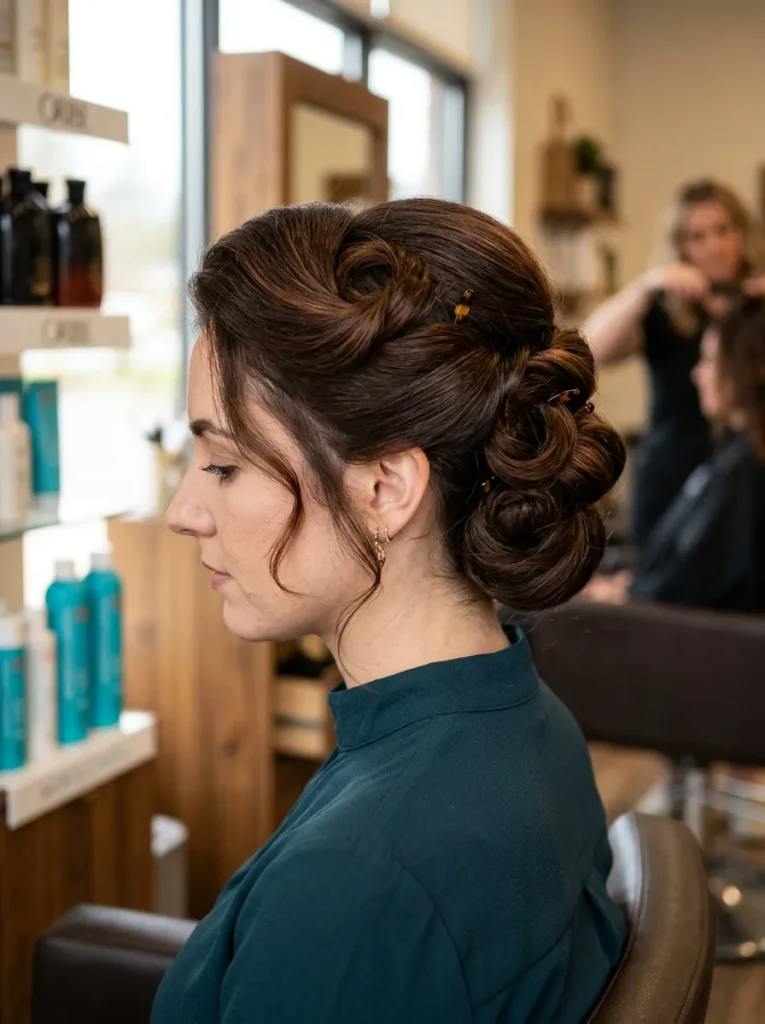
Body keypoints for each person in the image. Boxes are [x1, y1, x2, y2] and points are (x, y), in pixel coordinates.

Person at [157, 198, 626, 1024]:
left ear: (383, 489)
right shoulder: (531, 720)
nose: (183, 510)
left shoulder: (360, 886)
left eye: (224, 465)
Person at [584, 180, 765, 547]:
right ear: (680, 246)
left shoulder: (756, 311)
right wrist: (648, 285)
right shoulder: (662, 311)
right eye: (697, 236)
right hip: (672, 473)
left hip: (743, 478)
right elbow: (586, 349)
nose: (714, 246)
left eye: (723, 230)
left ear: (741, 233)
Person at [587, 299, 765, 612]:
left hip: (695, 638)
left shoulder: (744, 469)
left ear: (749, 367)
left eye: (710, 361)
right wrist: (632, 584)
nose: (698, 375)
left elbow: (696, 582)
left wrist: (630, 594)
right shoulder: (731, 456)